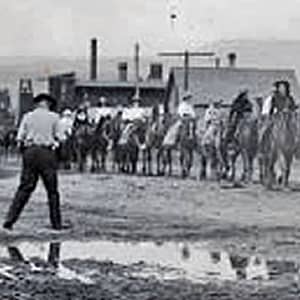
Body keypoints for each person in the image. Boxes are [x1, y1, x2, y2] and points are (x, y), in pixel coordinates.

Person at [3, 93, 62, 231]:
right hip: (47, 153)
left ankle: (10, 220)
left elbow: (19, 139)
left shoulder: (27, 117)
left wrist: (25, 151)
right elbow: (60, 138)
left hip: (30, 152)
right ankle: (56, 224)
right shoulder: (54, 117)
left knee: (24, 188)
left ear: (37, 104)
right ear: (48, 104)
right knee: (52, 191)